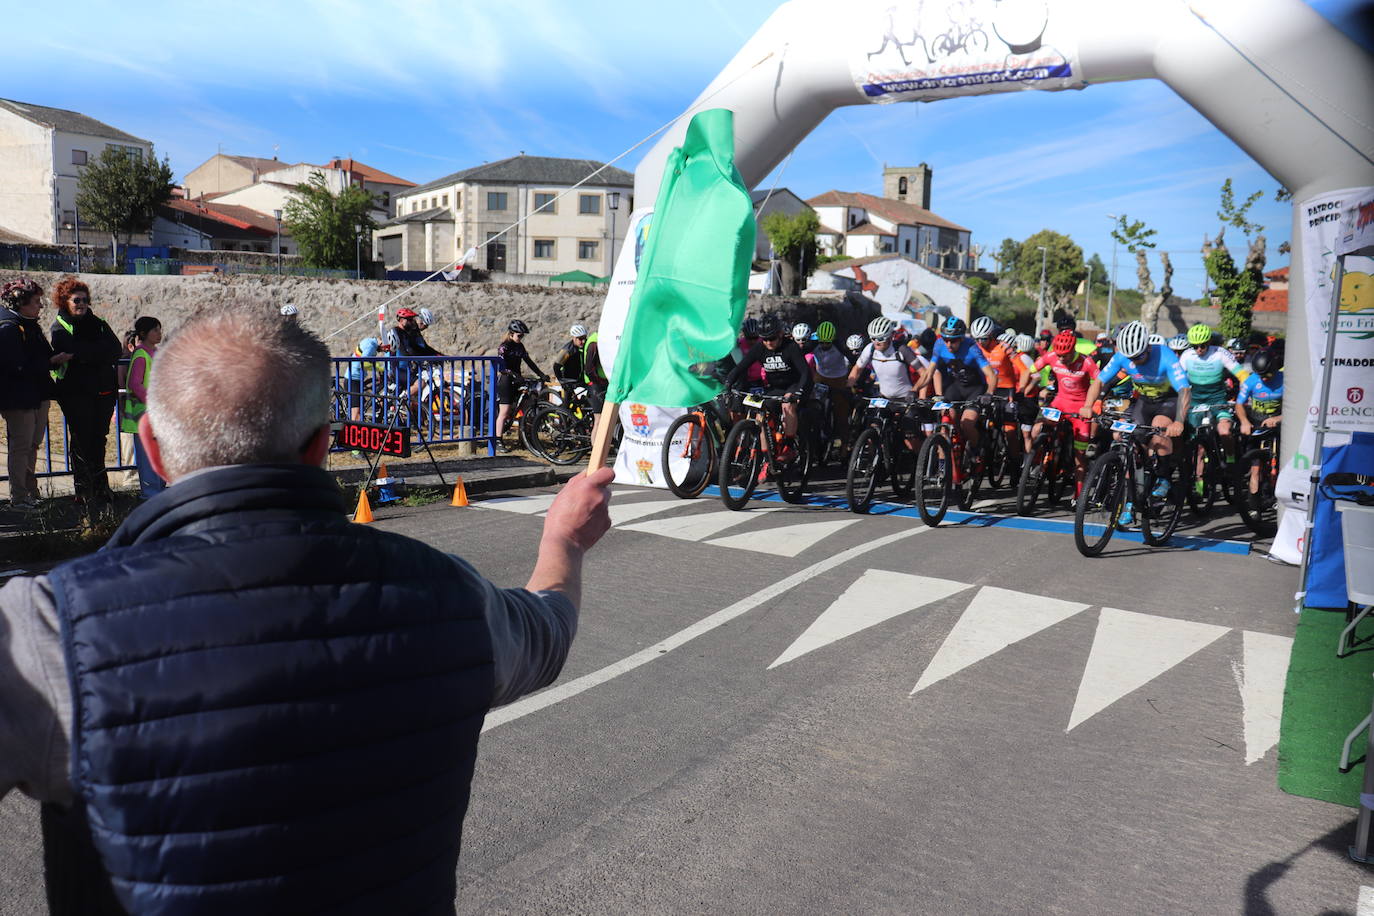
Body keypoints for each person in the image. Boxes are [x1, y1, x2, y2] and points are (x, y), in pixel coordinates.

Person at [0, 305, 614, 914]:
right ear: (322, 444)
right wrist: (563, 540)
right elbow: (547, 631)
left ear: (152, 449)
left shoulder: (48, 627)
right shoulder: (453, 594)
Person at [49, 277, 122, 516]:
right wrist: (93, 353)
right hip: (75, 393)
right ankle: (83, 491)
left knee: (99, 439)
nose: (81, 303)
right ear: (65, 301)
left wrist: (81, 354)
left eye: (85, 299)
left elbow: (114, 349)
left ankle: (101, 489)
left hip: (102, 391)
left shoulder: (98, 323)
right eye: (76, 300)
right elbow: (66, 347)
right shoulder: (60, 325)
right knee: (81, 440)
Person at [1097, 320, 1192, 503]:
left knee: (1159, 428)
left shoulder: (1165, 355)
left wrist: (1179, 421)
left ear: (1147, 347)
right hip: (1144, 402)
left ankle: (1164, 477)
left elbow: (1184, 390)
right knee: (1125, 440)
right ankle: (1131, 500)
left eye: (1138, 357)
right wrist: (1091, 403)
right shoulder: (1123, 357)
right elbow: (1100, 382)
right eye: (1130, 358)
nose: (1134, 361)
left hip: (1168, 400)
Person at [1, 278, 70, 510]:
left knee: (31, 446)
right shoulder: (9, 328)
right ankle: (19, 497)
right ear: (22, 303)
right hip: (19, 398)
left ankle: (30, 491)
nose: (41, 306)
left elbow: (38, 357)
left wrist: (50, 360)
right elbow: (16, 365)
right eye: (37, 301)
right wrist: (50, 361)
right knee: (21, 447)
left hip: (36, 395)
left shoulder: (29, 324)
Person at [1025, 330, 1103, 493]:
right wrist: (1022, 387)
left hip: (1080, 407)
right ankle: (1038, 462)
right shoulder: (1051, 356)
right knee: (1036, 430)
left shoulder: (1086, 362)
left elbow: (1099, 381)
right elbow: (1030, 370)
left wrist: (1090, 406)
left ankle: (1079, 492)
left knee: (1080, 455)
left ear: (1073, 350)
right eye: (1058, 355)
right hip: (1060, 402)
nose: (1060, 359)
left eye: (1065, 355)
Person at [913, 316, 997, 458]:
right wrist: (913, 390)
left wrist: (989, 393)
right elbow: (928, 374)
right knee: (945, 424)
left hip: (975, 389)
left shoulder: (972, 348)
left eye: (953, 340)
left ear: (962, 339)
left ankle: (976, 451)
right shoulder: (939, 345)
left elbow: (992, 374)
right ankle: (942, 469)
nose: (949, 344)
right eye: (946, 339)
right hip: (956, 387)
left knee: (966, 424)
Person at [1179, 323, 1246, 484]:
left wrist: (1244, 396)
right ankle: (1198, 483)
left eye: (1202, 346)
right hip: (1195, 401)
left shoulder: (1220, 353)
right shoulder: (1187, 356)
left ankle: (1230, 460)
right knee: (1198, 446)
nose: (1199, 350)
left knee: (1224, 431)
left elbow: (1242, 375)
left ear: (1209, 343)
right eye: (1195, 346)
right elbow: (1178, 379)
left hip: (1217, 400)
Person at [725, 313, 810, 441]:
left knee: (787, 405)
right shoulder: (760, 347)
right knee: (760, 416)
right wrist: (728, 384)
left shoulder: (791, 347)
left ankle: (789, 445)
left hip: (794, 385)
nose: (768, 342)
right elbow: (741, 367)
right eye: (764, 339)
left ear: (780, 334)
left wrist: (798, 392)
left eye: (772, 338)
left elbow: (805, 372)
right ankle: (766, 456)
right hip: (774, 387)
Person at [847, 316, 925, 453]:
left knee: (910, 440)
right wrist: (849, 386)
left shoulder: (902, 350)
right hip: (884, 398)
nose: (876, 342)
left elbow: (924, 373)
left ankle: (922, 465)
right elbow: (857, 369)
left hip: (905, 399)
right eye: (873, 338)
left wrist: (915, 390)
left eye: (881, 338)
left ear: (891, 337)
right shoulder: (870, 349)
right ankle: (875, 467)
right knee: (873, 431)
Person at [121, 316, 166, 500]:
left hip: (156, 413)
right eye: (155, 330)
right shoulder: (141, 354)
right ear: (143, 334)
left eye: (159, 329)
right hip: (144, 414)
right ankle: (150, 492)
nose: (159, 333)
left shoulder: (155, 352)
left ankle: (159, 488)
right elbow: (135, 383)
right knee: (147, 454)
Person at [495, 319, 548, 444]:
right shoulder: (504, 346)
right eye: (519, 335)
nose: (521, 338)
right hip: (506, 380)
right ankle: (498, 440)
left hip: (517, 379)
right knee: (505, 411)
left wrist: (541, 374)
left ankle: (524, 438)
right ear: (511, 333)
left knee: (526, 407)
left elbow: (528, 361)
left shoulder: (520, 346)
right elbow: (501, 367)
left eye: (522, 336)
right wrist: (513, 374)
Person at [807, 321, 853, 456]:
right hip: (821, 377)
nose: (825, 345)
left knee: (841, 413)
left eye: (828, 343)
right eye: (822, 342)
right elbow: (799, 356)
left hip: (839, 379)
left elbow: (854, 360)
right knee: (812, 406)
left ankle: (845, 444)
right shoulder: (813, 345)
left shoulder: (839, 345)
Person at [387, 307, 442, 405]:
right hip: (397, 369)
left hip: (405, 368)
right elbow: (408, 350)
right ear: (402, 320)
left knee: (416, 402)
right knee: (421, 383)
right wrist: (425, 358)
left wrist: (437, 355)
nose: (412, 321)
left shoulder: (407, 333)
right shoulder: (396, 331)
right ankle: (401, 400)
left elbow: (420, 348)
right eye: (409, 319)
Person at [554, 323, 589, 392]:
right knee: (568, 401)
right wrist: (562, 382)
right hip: (569, 381)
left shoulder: (584, 346)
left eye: (584, 338)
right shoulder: (567, 350)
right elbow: (556, 366)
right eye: (581, 339)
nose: (583, 341)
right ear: (574, 338)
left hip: (581, 379)